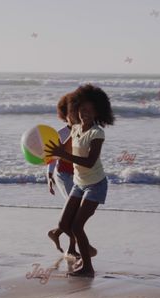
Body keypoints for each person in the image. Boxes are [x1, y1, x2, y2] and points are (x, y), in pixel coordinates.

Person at [45, 84, 115, 277]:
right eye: (82, 109)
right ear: (76, 109)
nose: (85, 113)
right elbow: (62, 149)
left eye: (90, 110)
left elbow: (90, 162)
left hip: (95, 185)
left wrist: (62, 155)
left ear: (97, 112)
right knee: (64, 224)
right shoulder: (75, 129)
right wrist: (42, 149)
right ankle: (84, 257)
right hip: (79, 183)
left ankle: (88, 267)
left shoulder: (97, 133)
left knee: (77, 226)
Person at [46, 93, 80, 258]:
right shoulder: (60, 133)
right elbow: (52, 157)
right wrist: (49, 176)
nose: (74, 115)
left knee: (76, 212)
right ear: (64, 115)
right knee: (75, 213)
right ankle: (72, 248)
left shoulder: (83, 130)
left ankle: (56, 232)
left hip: (79, 176)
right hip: (63, 174)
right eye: (70, 113)